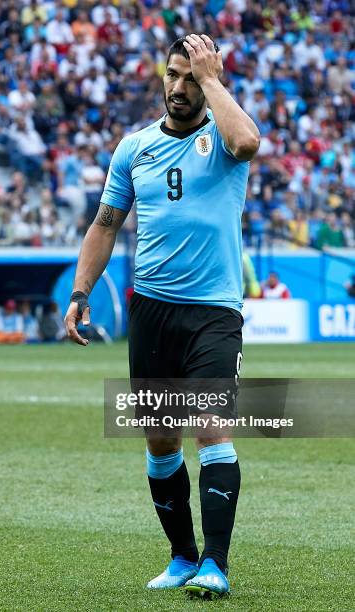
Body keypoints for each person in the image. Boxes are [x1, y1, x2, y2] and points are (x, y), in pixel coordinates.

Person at [65, 35, 259, 599]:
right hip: (151, 312)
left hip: (213, 313)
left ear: (210, 81)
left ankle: (215, 566)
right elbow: (104, 225)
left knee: (210, 427)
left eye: (191, 78)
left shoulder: (224, 137)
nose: (178, 87)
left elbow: (248, 141)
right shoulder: (133, 149)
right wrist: (81, 292)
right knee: (159, 442)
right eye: (173, 75)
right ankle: (182, 558)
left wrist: (214, 80)